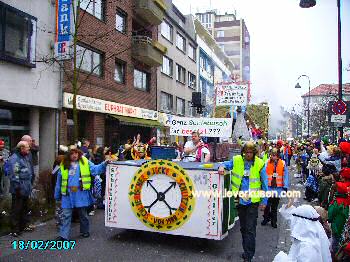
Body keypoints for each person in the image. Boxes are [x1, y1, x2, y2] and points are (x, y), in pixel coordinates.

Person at [218, 142, 268, 262]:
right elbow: (225, 164)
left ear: (254, 153)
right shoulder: (237, 160)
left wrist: (264, 201)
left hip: (253, 202)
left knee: (250, 229)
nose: (248, 155)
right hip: (240, 200)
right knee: (243, 228)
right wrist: (221, 167)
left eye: (251, 152)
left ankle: (249, 255)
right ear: (243, 152)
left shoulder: (260, 164)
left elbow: (265, 185)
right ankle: (247, 251)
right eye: (246, 152)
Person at [54, 145, 108, 240]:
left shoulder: (85, 162)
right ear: (68, 155)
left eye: (76, 153)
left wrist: (104, 164)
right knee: (66, 215)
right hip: (68, 194)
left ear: (78, 153)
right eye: (72, 153)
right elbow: (59, 181)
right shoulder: (64, 164)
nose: (74, 155)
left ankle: (85, 231)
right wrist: (57, 195)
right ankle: (63, 236)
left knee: (83, 214)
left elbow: (95, 170)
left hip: (80, 193)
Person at [8, 141, 35, 237]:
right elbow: (14, 174)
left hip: (25, 187)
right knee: (16, 209)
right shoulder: (15, 158)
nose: (29, 149)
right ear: (22, 148)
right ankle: (15, 229)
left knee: (24, 208)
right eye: (27, 147)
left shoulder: (25, 157)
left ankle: (22, 226)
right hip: (19, 188)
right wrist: (17, 187)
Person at [261, 148, 289, 228]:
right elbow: (263, 174)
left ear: (277, 156)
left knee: (274, 206)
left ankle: (274, 221)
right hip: (268, 188)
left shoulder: (282, 163)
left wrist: (285, 186)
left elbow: (285, 175)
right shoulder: (266, 162)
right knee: (267, 205)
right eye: (272, 155)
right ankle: (266, 218)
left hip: (278, 189)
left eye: (274, 155)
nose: (273, 157)